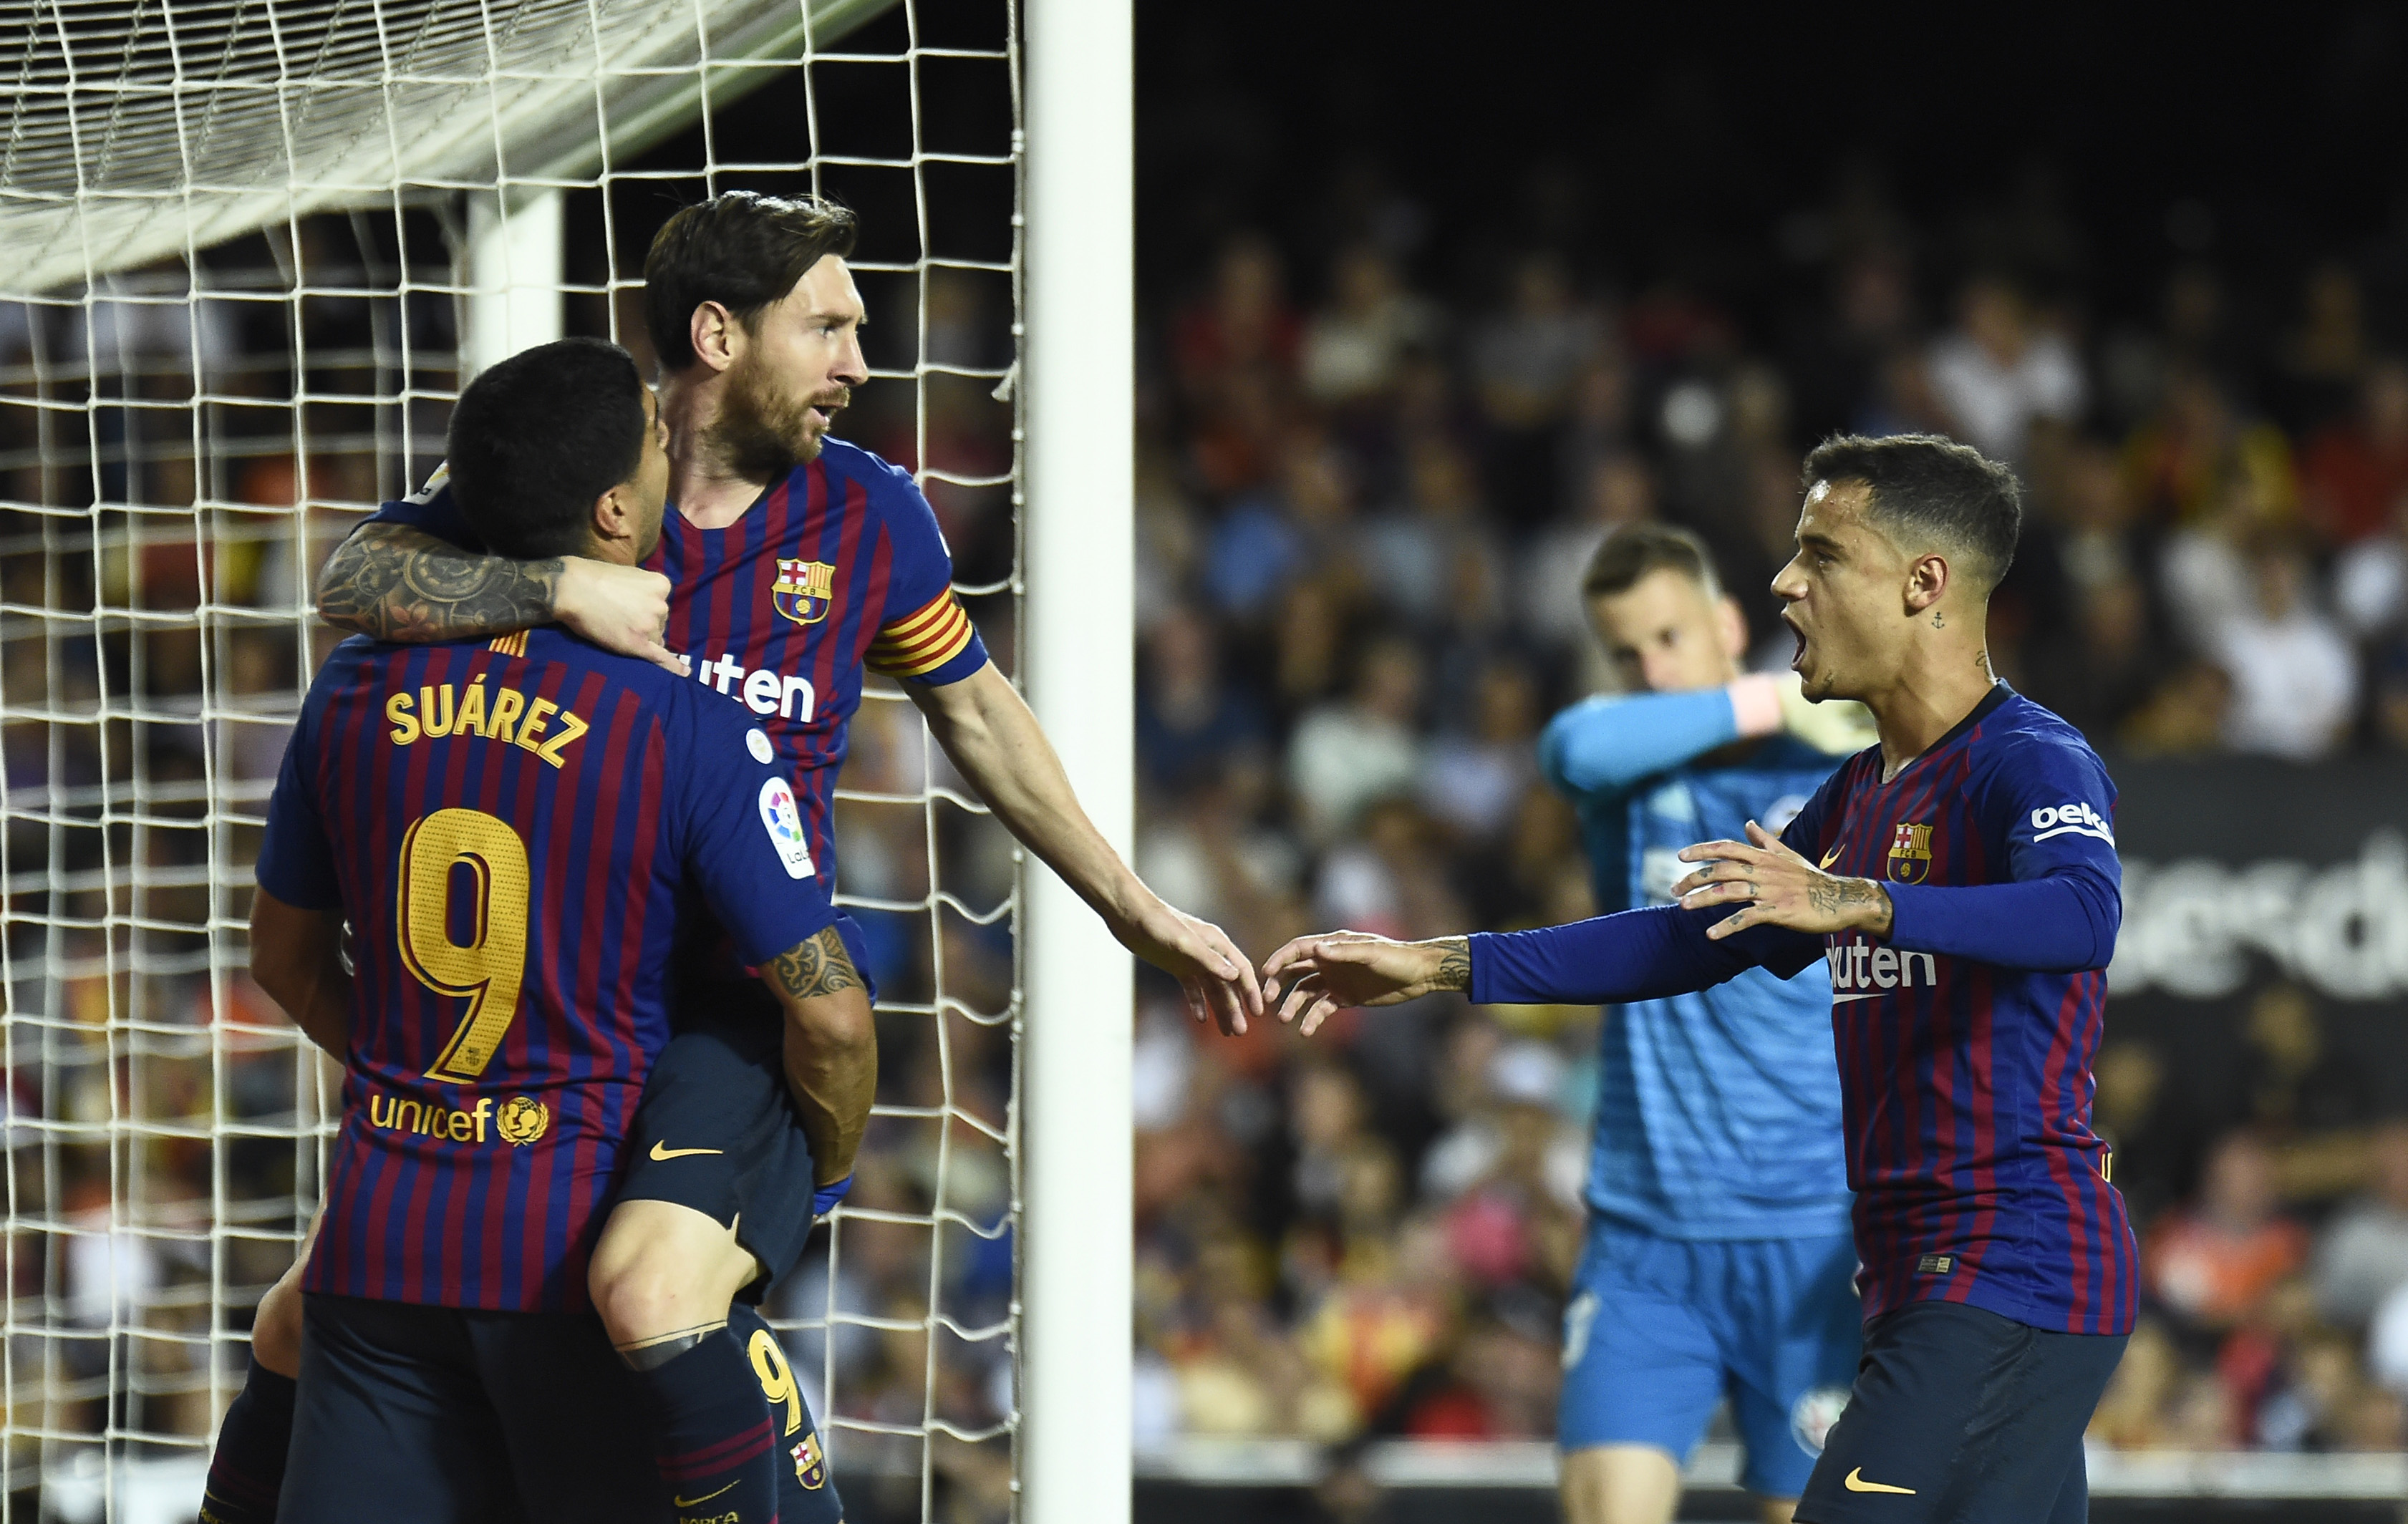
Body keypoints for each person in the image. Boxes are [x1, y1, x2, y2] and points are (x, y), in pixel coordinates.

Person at [205, 190, 1261, 1524]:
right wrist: (556, 586)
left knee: (648, 1288)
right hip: (557, 1001)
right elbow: (355, 578)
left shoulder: (867, 512)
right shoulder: (577, 478)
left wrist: (1129, 903)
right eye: (828, 327)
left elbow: (979, 712)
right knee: (309, 1311)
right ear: (717, 335)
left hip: (738, 1009)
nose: (858, 363)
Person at [1265, 434, 2136, 1524]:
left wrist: (1861, 901)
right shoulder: (1861, 791)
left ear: (1925, 583)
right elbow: (1687, 942)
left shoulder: (2031, 757)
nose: (1785, 582)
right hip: (1919, 1272)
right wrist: (1438, 964)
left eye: (1822, 554)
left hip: (2012, 1262)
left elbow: (2082, 914)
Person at [233, 337, 871, 1523]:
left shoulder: (350, 690)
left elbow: (280, 957)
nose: (674, 450)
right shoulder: (688, 726)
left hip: (380, 1253)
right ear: (616, 510)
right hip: (568, 1254)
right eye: (657, 442)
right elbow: (830, 1014)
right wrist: (813, 1177)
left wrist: (425, 1082)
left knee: (286, 1336)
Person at [1539, 522, 1867, 1524]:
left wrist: (1807, 716)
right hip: (1647, 1241)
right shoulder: (1628, 774)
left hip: (1811, 1234)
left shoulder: (1838, 768)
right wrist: (1768, 696)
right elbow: (1571, 746)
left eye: (1670, 637)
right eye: (1627, 653)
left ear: (1728, 623)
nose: (1652, 671)